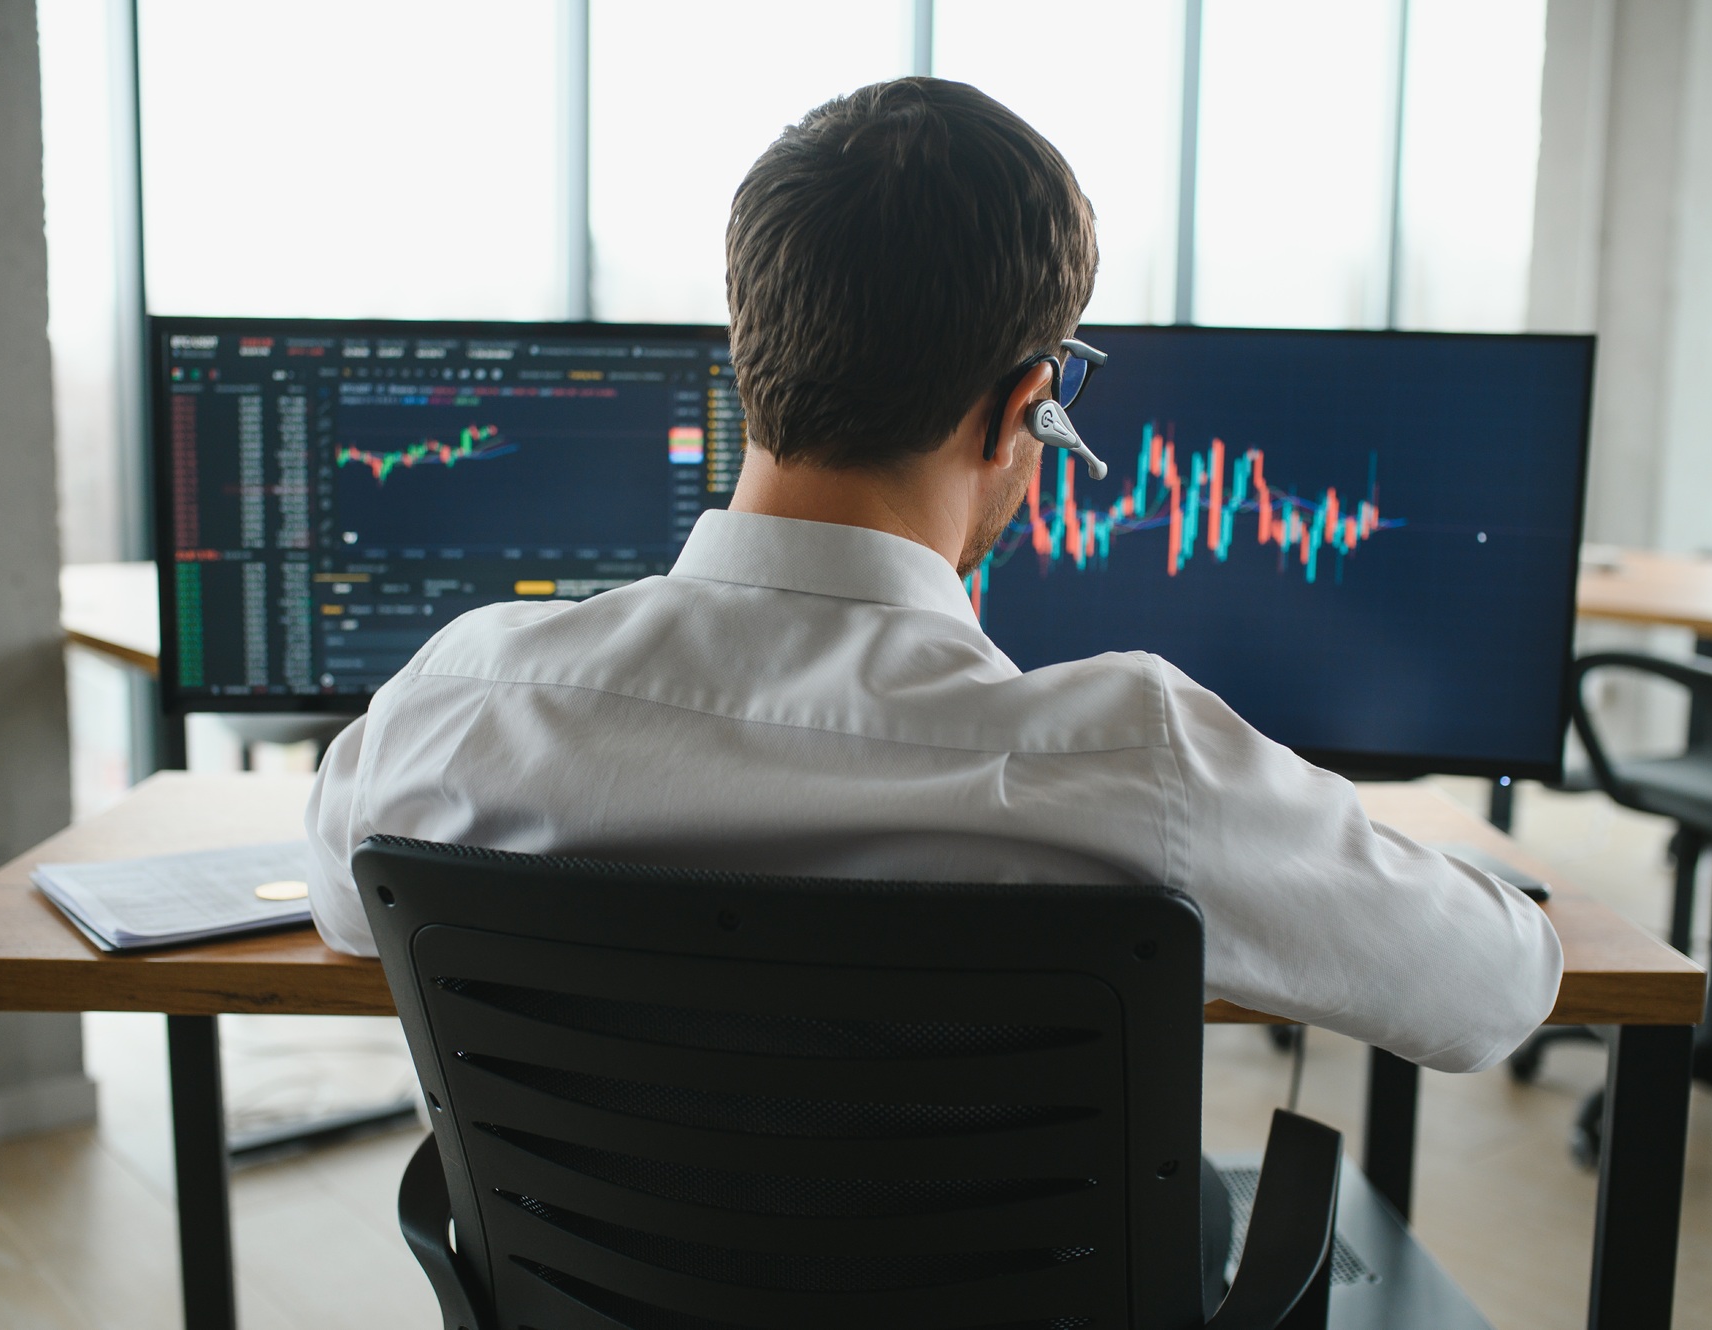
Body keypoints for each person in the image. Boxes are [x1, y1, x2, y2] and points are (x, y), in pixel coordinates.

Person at [305, 76, 1560, 1075]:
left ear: (753, 351)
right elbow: (1492, 991)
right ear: (1019, 403)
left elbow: (347, 905)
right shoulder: (1136, 765)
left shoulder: (458, 698)